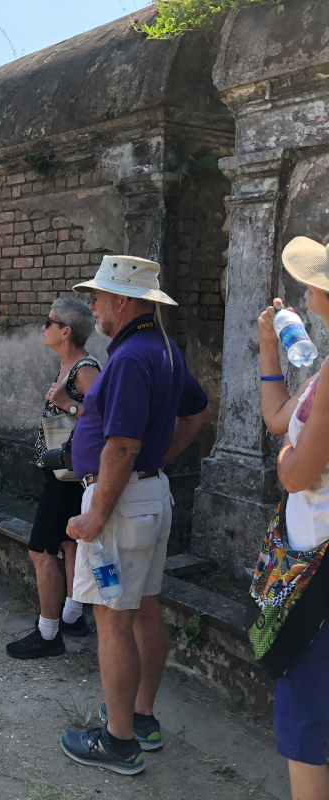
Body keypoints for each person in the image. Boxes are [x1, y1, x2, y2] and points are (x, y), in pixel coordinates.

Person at [59, 255, 208, 775]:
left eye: (98, 297)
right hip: (148, 496)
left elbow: (120, 447)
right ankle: (140, 717)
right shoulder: (162, 348)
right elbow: (196, 410)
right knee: (144, 608)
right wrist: (160, 459)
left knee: (112, 618)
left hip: (120, 504)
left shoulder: (126, 358)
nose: (94, 306)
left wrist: (95, 518)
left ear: (121, 300)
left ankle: (118, 742)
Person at [257, 236, 329, 800]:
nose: (308, 288)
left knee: (305, 720)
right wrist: (269, 345)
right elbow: (282, 415)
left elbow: (297, 470)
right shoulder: (323, 368)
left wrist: (285, 466)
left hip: (318, 574)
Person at [6, 297, 100, 659]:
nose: (43, 326)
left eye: (49, 321)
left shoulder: (84, 369)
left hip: (67, 474)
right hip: (63, 470)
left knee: (40, 551)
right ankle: (72, 615)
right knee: (68, 543)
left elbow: (108, 413)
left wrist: (69, 404)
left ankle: (48, 633)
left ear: (66, 331)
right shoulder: (69, 367)